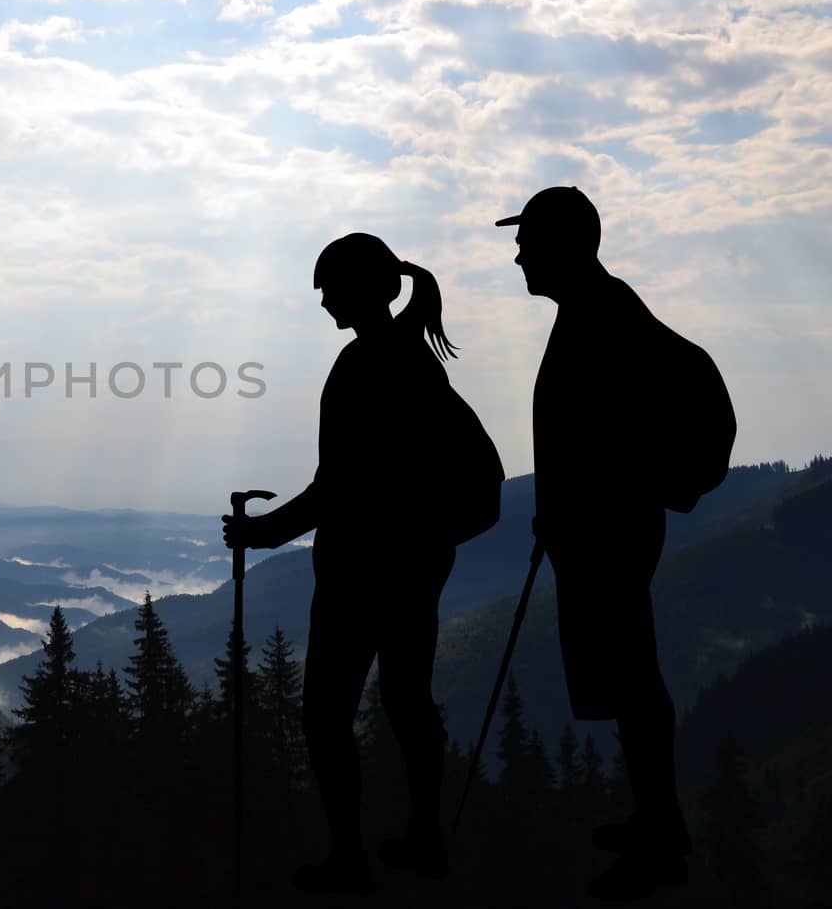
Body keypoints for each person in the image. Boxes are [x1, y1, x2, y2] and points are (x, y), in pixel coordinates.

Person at [222, 233, 491, 895]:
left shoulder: (368, 365)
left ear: (361, 288)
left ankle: (350, 857)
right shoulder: (411, 361)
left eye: (328, 288)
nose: (322, 302)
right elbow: (479, 473)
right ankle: (422, 838)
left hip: (359, 577)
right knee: (405, 701)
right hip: (410, 570)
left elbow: (336, 488)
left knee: (326, 714)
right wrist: (436, 540)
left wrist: (261, 533)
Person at [496, 185, 701, 899]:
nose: (518, 253)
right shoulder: (596, 310)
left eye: (528, 240)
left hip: (609, 532)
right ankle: (653, 816)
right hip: (598, 529)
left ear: (562, 244)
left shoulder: (603, 315)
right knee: (629, 678)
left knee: (634, 680)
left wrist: (590, 499)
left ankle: (659, 832)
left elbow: (611, 435)